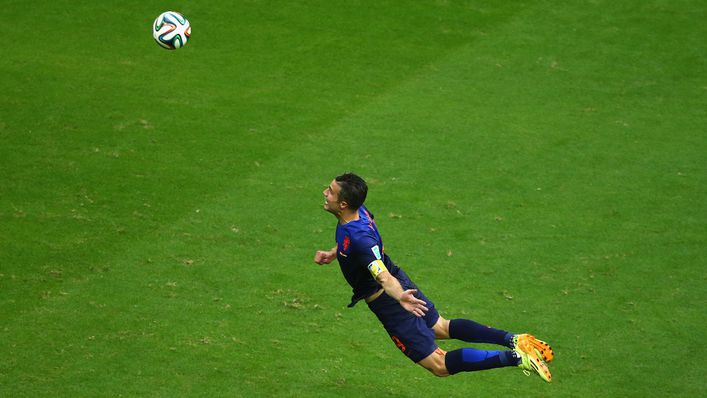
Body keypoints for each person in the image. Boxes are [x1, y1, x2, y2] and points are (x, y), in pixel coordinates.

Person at [314, 172, 554, 381]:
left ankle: (517, 358)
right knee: (440, 326)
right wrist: (336, 253)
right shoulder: (360, 213)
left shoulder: (359, 239)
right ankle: (514, 339)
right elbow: (362, 245)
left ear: (343, 203)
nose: (325, 193)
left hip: (390, 298)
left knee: (439, 366)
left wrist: (400, 298)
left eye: (331, 191)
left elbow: (383, 276)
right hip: (400, 279)